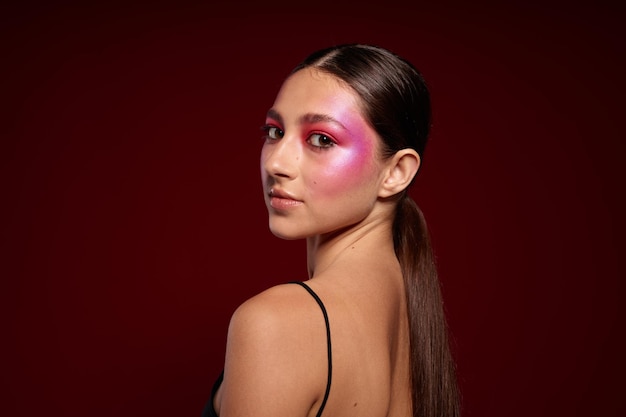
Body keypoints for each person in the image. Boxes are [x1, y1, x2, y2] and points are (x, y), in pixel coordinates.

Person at [202, 44, 460, 417]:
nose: (276, 162)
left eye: (321, 139)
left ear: (396, 172)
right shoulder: (411, 317)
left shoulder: (275, 323)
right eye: (274, 131)